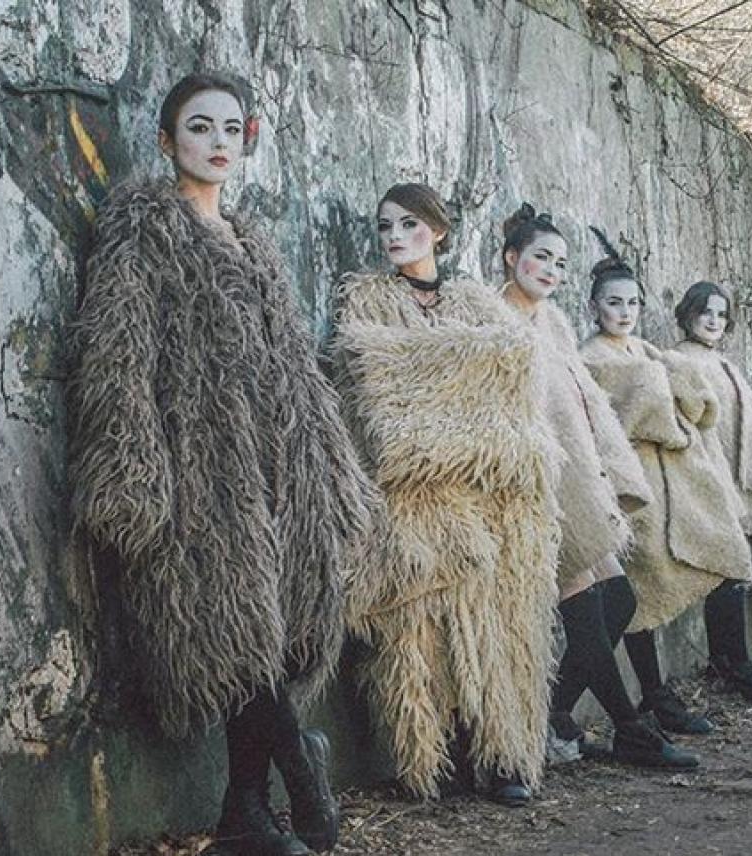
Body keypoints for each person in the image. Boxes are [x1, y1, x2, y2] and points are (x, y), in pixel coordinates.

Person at [70, 72, 378, 856]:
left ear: (249, 139)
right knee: (229, 628)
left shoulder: (253, 241)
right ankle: (299, 764)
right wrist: (134, 472)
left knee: (272, 632)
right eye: (199, 127)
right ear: (166, 139)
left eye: (230, 129)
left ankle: (243, 814)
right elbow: (117, 354)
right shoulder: (143, 228)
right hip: (198, 470)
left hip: (280, 470)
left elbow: (298, 368)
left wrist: (328, 469)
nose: (216, 142)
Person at [327, 184, 560, 807]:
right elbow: (373, 389)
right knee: (420, 632)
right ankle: (439, 755)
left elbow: (513, 376)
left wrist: (430, 377)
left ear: (438, 231)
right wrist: (457, 373)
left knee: (493, 627)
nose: (395, 237)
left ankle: (500, 754)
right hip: (409, 499)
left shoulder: (475, 300)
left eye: (409, 224)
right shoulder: (366, 298)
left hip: (485, 498)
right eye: (385, 227)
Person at [498, 204, 698, 769]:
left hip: (576, 479)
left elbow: (584, 405)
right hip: (533, 481)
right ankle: (630, 728)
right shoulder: (495, 319)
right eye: (541, 257)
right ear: (511, 258)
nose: (551, 270)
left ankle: (551, 715)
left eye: (561, 263)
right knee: (584, 601)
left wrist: (608, 470)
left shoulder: (554, 323)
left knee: (620, 597)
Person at [579, 229, 752, 735]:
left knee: (716, 558)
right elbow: (605, 420)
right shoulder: (590, 357)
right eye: (613, 303)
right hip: (630, 483)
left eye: (633, 303)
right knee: (640, 586)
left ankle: (717, 668)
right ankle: (654, 694)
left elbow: (695, 405)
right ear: (594, 307)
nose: (625, 312)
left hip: (675, 486)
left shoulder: (647, 351)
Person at [672, 281, 752, 704]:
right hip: (708, 479)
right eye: (705, 311)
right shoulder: (679, 360)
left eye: (721, 314)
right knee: (729, 569)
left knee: (733, 574)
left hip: (735, 482)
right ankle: (734, 666)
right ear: (688, 313)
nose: (713, 320)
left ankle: (729, 662)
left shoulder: (724, 362)